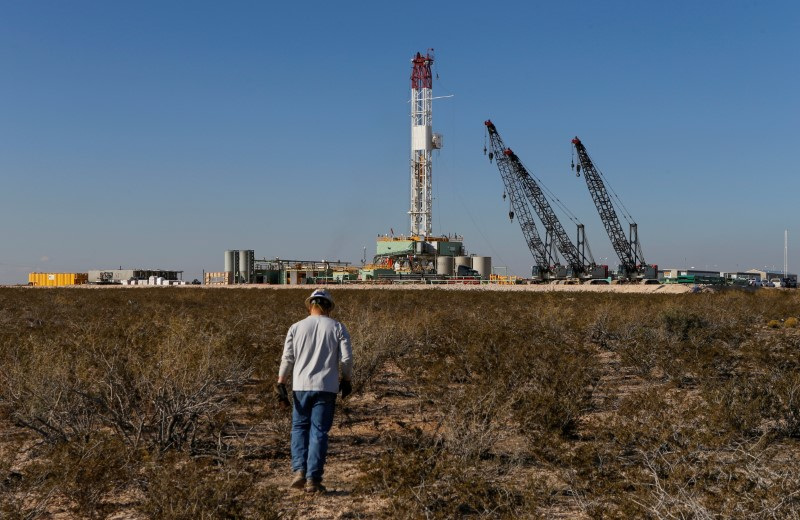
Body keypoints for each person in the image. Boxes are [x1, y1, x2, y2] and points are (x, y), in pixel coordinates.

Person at [276, 288, 353, 493]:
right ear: (328, 307)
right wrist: (346, 380)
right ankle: (313, 479)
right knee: (319, 432)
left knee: (299, 428)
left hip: (300, 386)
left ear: (310, 305)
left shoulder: (296, 327)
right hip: (326, 387)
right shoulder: (337, 327)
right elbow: (346, 359)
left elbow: (287, 358)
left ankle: (299, 471)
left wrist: (281, 383)